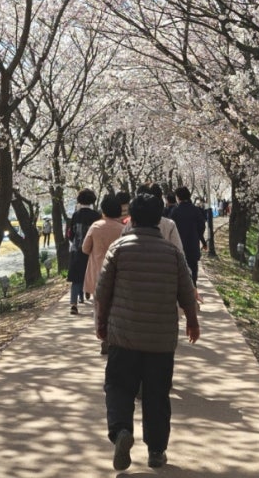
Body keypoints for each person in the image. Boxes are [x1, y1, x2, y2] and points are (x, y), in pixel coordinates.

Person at [94, 192, 200, 471]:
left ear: (133, 218)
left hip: (123, 335)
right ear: (159, 218)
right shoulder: (173, 253)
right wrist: (192, 321)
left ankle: (121, 432)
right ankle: (156, 451)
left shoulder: (118, 249)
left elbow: (102, 294)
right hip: (160, 341)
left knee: (118, 386)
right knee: (156, 395)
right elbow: (187, 292)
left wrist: (101, 325)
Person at [82, 193, 125, 339]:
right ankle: (114, 336)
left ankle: (101, 336)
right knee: (115, 306)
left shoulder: (96, 226)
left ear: (103, 210)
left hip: (98, 273)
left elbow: (85, 248)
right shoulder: (123, 229)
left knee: (98, 307)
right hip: (117, 274)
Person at [66, 189, 100, 314]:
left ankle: (74, 304)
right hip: (91, 250)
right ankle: (91, 299)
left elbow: (71, 234)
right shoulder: (96, 215)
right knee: (91, 275)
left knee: (76, 277)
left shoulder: (75, 215)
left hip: (76, 249)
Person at [170, 186, 207, 285]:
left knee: (180, 273)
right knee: (193, 270)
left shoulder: (175, 211)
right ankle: (193, 290)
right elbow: (201, 227)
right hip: (193, 245)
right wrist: (202, 240)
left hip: (179, 246)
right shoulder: (196, 210)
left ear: (177, 197)